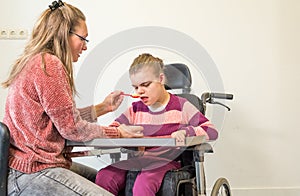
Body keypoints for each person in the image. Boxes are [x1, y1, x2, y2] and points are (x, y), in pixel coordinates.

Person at [1, 1, 143, 195]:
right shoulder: (48, 65)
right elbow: (71, 128)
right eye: (82, 39)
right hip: (31, 170)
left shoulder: (37, 61)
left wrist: (103, 107)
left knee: (106, 181)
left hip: (26, 167)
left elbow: (59, 118)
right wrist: (118, 133)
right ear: (63, 34)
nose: (84, 46)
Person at [95, 53, 218, 196]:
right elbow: (113, 130)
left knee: (143, 184)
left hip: (166, 161)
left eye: (145, 85)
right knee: (105, 176)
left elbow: (211, 130)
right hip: (138, 160)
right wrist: (123, 132)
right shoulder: (135, 109)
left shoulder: (182, 106)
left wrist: (186, 132)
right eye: (135, 87)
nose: (140, 91)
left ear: (161, 79)